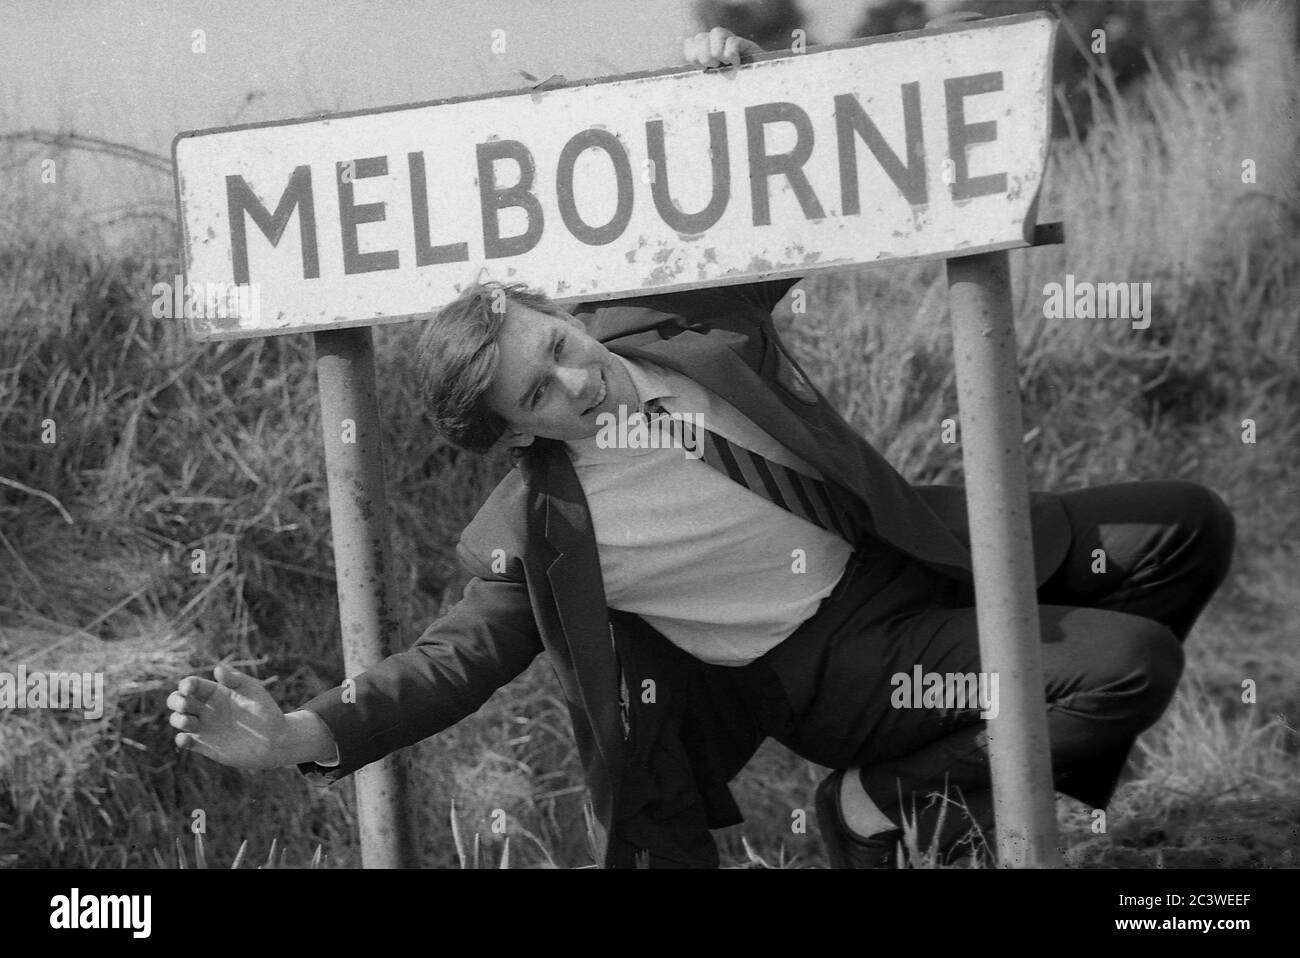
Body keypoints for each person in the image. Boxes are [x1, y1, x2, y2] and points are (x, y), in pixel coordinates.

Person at [167, 27, 1235, 868]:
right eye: (541, 394)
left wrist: (741, 89)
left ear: (554, 307)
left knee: (1185, 528)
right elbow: (444, 667)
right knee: (1127, 667)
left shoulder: (662, 311)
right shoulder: (540, 524)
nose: (577, 380)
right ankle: (878, 809)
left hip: (901, 545)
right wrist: (294, 734)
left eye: (556, 344)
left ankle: (984, 789)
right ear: (516, 434)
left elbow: (796, 193)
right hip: (830, 664)